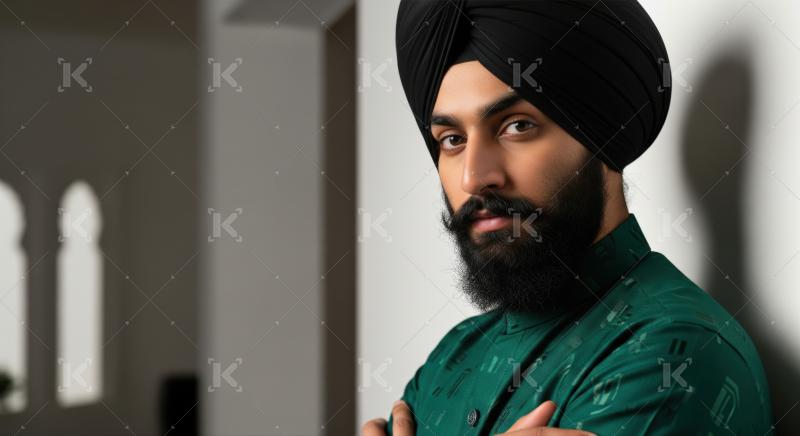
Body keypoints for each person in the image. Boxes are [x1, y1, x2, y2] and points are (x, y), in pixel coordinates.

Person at [362, 1, 774, 435]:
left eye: (517, 126)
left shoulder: (674, 353)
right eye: (452, 139)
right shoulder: (455, 354)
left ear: (601, 139)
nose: (474, 177)